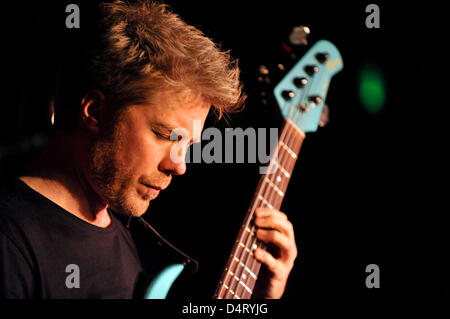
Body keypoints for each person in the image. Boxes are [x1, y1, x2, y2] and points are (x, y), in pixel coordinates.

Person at [0, 0, 297, 299]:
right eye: (165, 135)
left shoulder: (135, 242)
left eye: (188, 145)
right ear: (94, 111)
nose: (179, 165)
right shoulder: (10, 242)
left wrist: (261, 299)